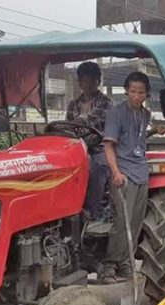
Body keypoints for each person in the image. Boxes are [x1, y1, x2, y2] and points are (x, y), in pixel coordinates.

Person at [101, 72, 152, 283]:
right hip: (123, 172)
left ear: (147, 94)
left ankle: (125, 263)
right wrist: (116, 173)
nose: (137, 96)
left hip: (141, 171)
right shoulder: (116, 113)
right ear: (126, 91)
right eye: (133, 92)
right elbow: (108, 145)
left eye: (141, 93)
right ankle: (110, 265)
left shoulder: (145, 114)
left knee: (136, 221)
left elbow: (136, 138)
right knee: (122, 221)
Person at [65, 62, 114, 220]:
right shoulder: (73, 104)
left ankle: (94, 212)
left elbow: (91, 118)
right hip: (77, 147)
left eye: (92, 81)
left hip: (100, 148)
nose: (88, 85)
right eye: (84, 81)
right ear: (79, 82)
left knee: (95, 169)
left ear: (98, 81)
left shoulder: (106, 102)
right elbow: (67, 125)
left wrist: (75, 124)